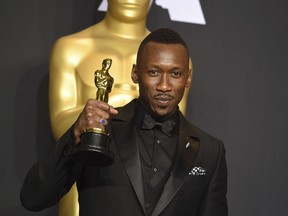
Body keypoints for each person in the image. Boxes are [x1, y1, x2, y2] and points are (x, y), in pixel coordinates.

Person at [20, 28, 228, 216]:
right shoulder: (100, 130)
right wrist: (75, 134)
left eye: (175, 74)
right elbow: (33, 198)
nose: (164, 86)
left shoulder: (210, 151)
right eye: (154, 72)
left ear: (188, 78)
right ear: (135, 73)